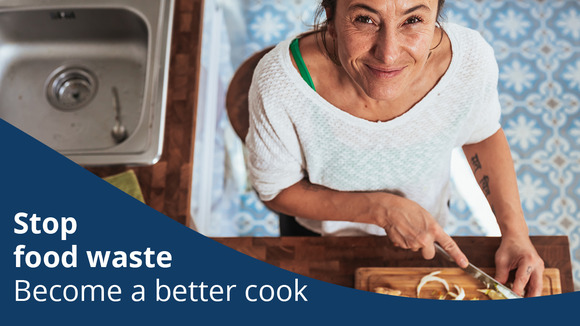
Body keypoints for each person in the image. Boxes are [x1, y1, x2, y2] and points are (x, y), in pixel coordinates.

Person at [245, 0, 544, 297]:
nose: (388, 54)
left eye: (412, 20)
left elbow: (481, 134)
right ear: (331, 18)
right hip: (321, 239)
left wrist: (515, 233)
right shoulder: (279, 85)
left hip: (426, 232)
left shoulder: (469, 62)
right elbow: (277, 190)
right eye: (365, 19)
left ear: (435, 18)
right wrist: (382, 210)